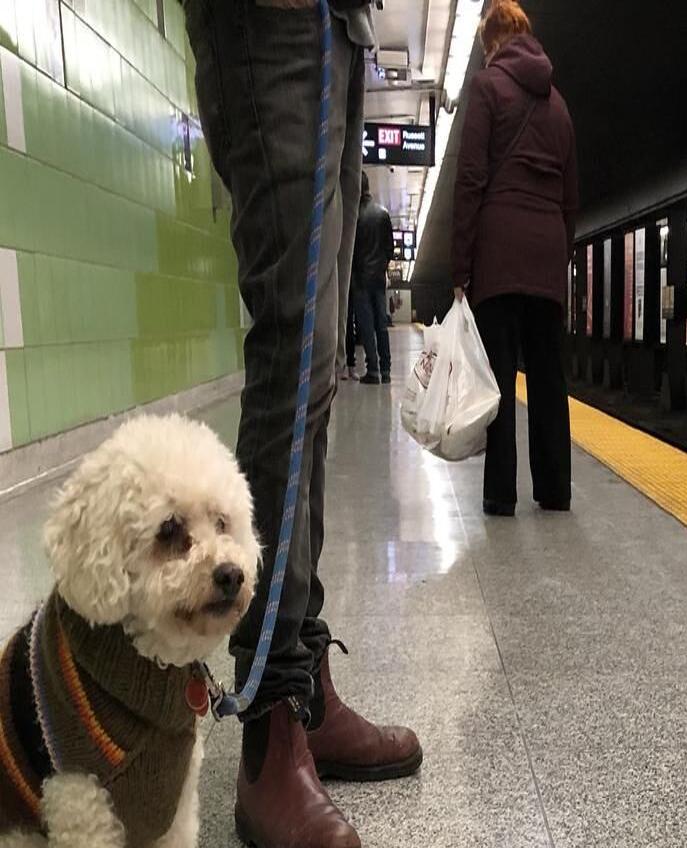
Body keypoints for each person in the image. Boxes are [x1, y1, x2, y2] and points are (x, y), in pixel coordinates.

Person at [184, 4, 422, 848]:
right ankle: (270, 712)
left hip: (336, 26)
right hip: (271, 18)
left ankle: (306, 686)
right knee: (294, 347)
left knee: (314, 370)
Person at [451, 0, 578, 517]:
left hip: (499, 256)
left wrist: (461, 268)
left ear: (492, 43)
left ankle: (500, 493)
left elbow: (471, 180)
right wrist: (558, 255)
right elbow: (571, 197)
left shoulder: (486, 89)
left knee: (498, 379)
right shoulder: (561, 106)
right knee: (549, 379)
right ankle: (555, 490)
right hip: (546, 255)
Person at [351, 171, 394, 384]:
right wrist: (382, 268)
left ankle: (373, 370)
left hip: (360, 279)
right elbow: (390, 249)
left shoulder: (354, 217)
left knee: (366, 325)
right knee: (381, 324)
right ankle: (386, 370)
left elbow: (350, 251)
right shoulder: (383, 213)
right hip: (378, 278)